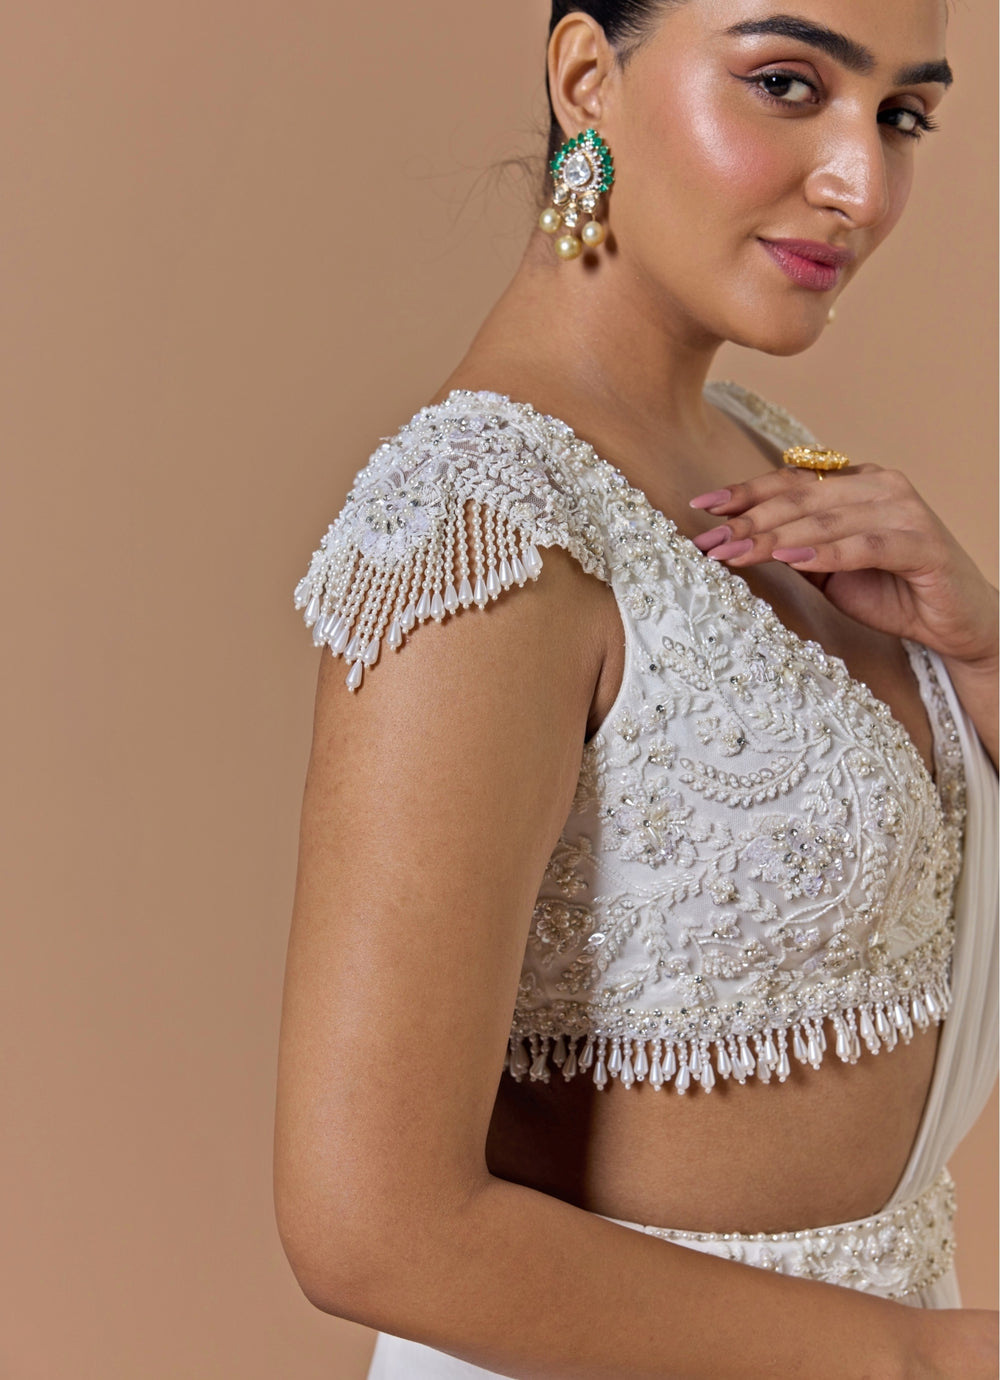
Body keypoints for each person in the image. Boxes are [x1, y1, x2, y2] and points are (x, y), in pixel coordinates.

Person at [273, 1, 999, 1375]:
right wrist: (930, 1360)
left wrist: (986, 651)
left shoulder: (767, 454)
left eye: (903, 115)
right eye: (790, 85)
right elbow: (368, 1225)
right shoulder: (476, 524)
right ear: (586, 78)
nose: (862, 184)